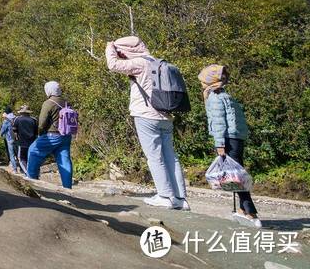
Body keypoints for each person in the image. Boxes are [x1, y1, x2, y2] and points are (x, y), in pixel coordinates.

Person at [106, 37, 189, 210]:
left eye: (122, 52)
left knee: (154, 157)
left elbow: (112, 65)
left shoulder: (139, 63)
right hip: (166, 117)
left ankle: (165, 196)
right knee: (171, 157)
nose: (122, 55)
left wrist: (110, 46)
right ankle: (181, 199)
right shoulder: (157, 62)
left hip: (146, 116)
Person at [199, 64, 259, 227]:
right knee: (236, 173)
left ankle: (250, 211)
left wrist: (219, 145)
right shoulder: (225, 95)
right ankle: (242, 209)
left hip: (227, 139)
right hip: (237, 138)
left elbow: (219, 123)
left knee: (235, 177)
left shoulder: (214, 97)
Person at [25, 81, 74, 189]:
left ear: (49, 90)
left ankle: (32, 181)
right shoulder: (66, 102)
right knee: (64, 160)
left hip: (52, 135)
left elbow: (42, 123)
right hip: (66, 136)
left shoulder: (48, 103)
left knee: (33, 151)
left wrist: (40, 134)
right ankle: (68, 187)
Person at [12, 105, 38, 170]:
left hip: (22, 142)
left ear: (21, 112)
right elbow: (36, 132)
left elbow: (14, 130)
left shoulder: (17, 119)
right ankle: (34, 172)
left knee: (21, 158)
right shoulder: (34, 120)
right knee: (31, 158)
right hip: (32, 142)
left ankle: (27, 173)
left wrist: (16, 139)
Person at [0, 107, 21, 173]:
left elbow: (3, 129)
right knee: (18, 154)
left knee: (11, 154)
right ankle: (22, 168)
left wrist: (1, 134)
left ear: (6, 112)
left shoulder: (6, 120)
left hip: (9, 139)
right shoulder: (16, 118)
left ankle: (15, 169)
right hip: (17, 138)